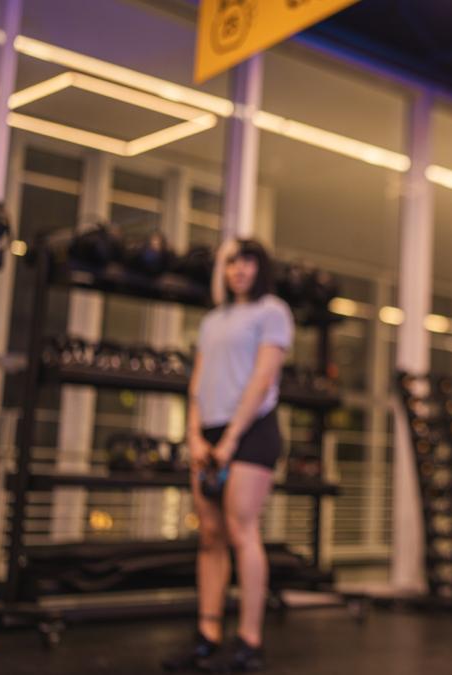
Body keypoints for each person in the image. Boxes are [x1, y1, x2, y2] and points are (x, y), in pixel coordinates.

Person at [163, 238, 293, 673]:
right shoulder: (212, 320)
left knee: (242, 530)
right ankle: (207, 635)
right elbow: (198, 382)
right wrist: (194, 435)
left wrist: (231, 439)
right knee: (210, 535)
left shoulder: (272, 311)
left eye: (247, 261)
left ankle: (250, 641)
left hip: (252, 431)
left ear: (260, 268)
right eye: (231, 262)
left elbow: (261, 379)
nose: (238, 269)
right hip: (211, 431)